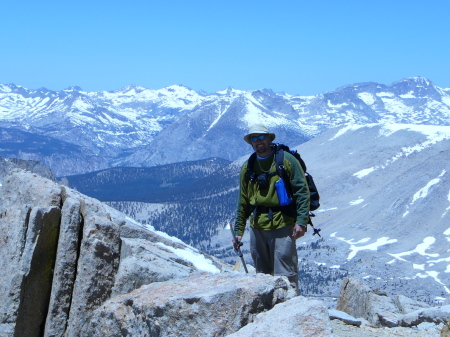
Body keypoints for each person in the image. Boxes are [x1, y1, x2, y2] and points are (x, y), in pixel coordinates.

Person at [233, 124, 310, 294]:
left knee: (286, 275)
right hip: (257, 226)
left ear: (269, 138)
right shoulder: (248, 166)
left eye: (262, 137)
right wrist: (238, 230)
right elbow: (243, 200)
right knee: (262, 276)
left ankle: (291, 311)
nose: (259, 141)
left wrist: (301, 221)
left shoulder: (287, 160)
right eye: (254, 138)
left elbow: (302, 191)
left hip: (283, 224)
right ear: (250, 142)